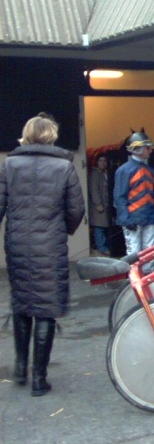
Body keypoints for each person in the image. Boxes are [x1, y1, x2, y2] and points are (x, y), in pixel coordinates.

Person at [0, 114, 85, 396]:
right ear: (51, 135)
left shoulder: (9, 164)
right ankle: (39, 379)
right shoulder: (64, 167)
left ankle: (20, 367)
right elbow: (76, 211)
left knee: (22, 302)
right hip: (50, 246)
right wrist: (62, 230)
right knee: (46, 309)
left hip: (17, 245)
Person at [113, 131, 154, 273]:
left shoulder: (150, 170)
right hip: (133, 220)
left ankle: (148, 284)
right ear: (138, 149)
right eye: (147, 147)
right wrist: (126, 220)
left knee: (150, 254)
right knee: (134, 255)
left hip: (149, 219)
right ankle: (134, 287)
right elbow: (119, 197)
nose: (150, 150)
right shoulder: (123, 171)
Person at [88, 154, 111, 256]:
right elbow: (94, 190)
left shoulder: (105, 173)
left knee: (104, 227)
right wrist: (98, 203)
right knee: (99, 227)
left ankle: (104, 246)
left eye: (104, 161)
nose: (103, 163)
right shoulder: (94, 174)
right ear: (96, 162)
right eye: (100, 161)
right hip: (98, 206)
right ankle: (101, 247)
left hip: (106, 205)